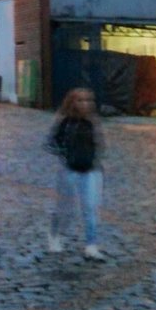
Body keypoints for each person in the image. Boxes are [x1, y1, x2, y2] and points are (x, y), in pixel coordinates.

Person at [46, 87, 105, 260]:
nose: (84, 104)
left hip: (91, 170)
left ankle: (91, 245)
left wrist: (96, 162)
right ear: (72, 102)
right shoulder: (65, 122)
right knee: (65, 208)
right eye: (80, 100)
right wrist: (65, 155)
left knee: (90, 208)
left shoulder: (93, 122)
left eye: (87, 100)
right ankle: (54, 234)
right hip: (69, 169)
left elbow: (99, 144)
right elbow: (51, 142)